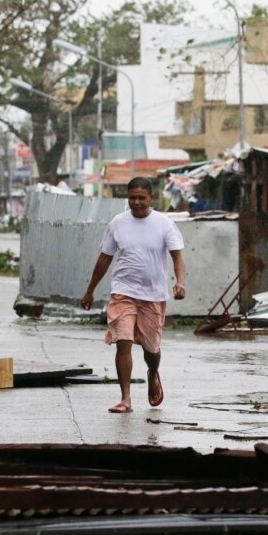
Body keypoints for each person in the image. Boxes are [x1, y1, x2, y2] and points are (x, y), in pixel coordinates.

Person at [81, 177, 186, 414]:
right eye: (132, 198)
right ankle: (125, 398)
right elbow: (105, 258)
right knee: (123, 342)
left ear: (151, 198)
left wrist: (180, 282)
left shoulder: (164, 224)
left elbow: (177, 257)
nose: (137, 202)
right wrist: (90, 290)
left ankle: (152, 373)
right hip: (123, 292)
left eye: (141, 198)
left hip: (153, 294)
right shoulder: (118, 223)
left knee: (151, 349)